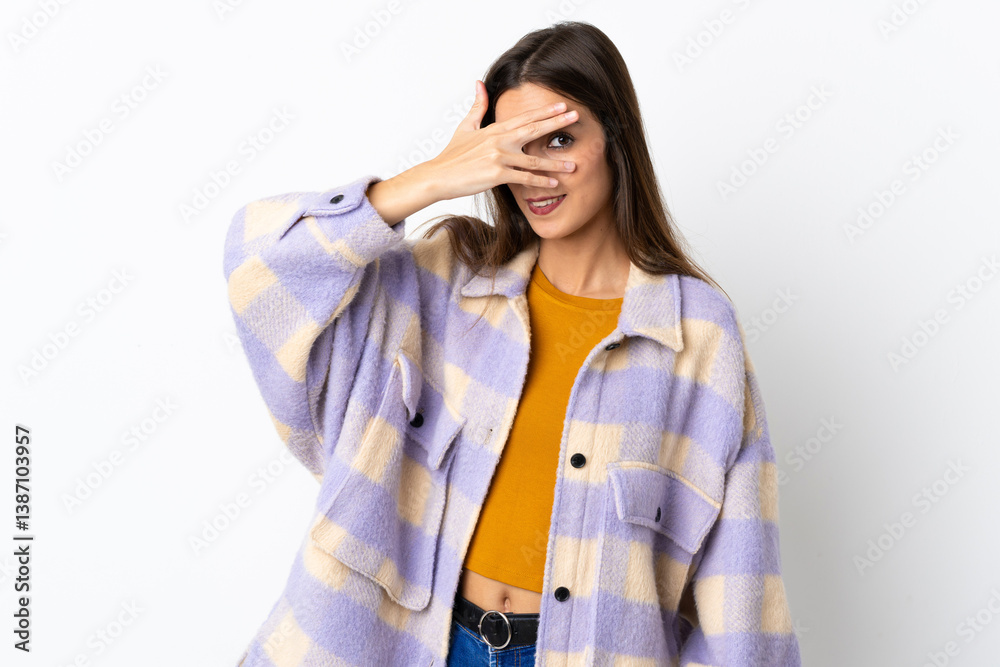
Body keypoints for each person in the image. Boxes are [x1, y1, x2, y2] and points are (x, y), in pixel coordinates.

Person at [224, 20, 801, 667]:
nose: (535, 174)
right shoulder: (443, 281)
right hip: (406, 646)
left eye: (559, 139)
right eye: (514, 149)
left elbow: (742, 598)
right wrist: (432, 177)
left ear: (616, 136)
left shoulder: (696, 335)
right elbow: (263, 272)